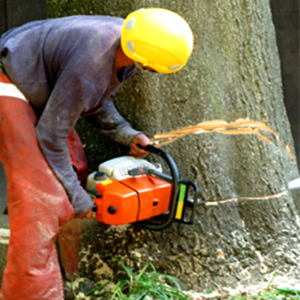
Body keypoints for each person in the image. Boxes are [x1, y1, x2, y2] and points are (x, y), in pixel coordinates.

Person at [0, 7, 194, 300]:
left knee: (74, 171)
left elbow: (93, 97)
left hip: (33, 86)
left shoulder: (130, 41)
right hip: (8, 80)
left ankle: (70, 280)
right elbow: (51, 135)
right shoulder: (92, 60)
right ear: (146, 60)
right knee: (43, 194)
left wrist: (125, 134)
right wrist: (78, 199)